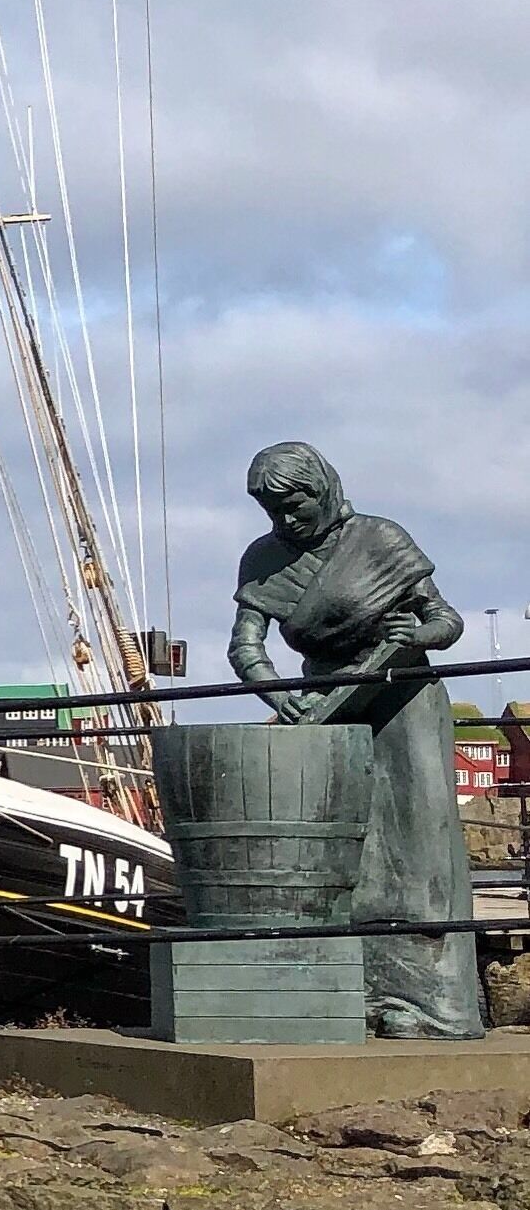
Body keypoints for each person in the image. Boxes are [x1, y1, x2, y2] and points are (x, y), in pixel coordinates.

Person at [228, 441, 480, 1038]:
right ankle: (361, 992)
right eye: (272, 510)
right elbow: (245, 645)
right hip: (329, 706)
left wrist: (419, 631)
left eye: (295, 505)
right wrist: (276, 692)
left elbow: (447, 619)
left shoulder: (379, 538)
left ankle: (439, 1010)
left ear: (323, 489)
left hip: (403, 698)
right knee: (350, 852)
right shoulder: (263, 558)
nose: (285, 521)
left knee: (421, 848)